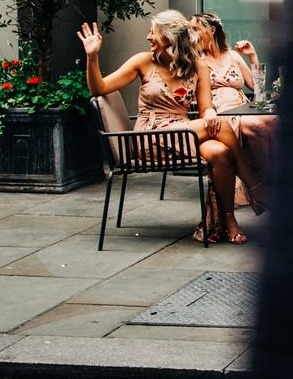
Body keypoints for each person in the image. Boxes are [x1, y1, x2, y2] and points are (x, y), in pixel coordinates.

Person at [78, 12, 254, 244]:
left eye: (154, 32)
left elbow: (205, 110)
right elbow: (98, 89)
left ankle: (228, 219)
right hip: (150, 137)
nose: (148, 37)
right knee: (222, 125)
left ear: (170, 37)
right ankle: (251, 180)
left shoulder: (198, 66)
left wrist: (211, 113)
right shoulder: (142, 61)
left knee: (220, 152)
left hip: (182, 133)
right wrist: (92, 56)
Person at [192, 11, 274, 213]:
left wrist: (252, 56)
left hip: (244, 107)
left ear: (212, 30)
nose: (191, 34)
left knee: (276, 121)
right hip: (220, 113)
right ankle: (268, 184)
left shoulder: (233, 56)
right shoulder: (195, 60)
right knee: (257, 126)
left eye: (195, 28)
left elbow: (257, 88)